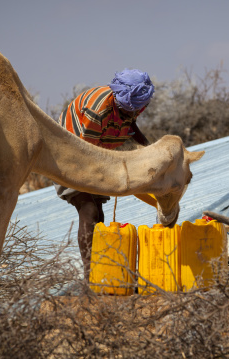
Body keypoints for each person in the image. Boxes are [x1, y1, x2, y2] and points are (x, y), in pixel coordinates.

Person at [55, 68, 154, 277]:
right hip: (69, 155)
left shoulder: (128, 105)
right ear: (121, 102)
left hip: (95, 155)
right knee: (88, 209)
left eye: (136, 110)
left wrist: (149, 149)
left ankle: (102, 272)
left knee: (98, 214)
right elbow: (87, 153)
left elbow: (130, 124)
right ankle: (91, 278)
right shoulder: (97, 110)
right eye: (130, 110)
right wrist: (117, 172)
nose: (134, 114)